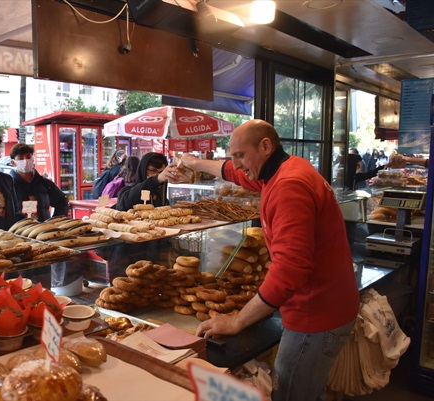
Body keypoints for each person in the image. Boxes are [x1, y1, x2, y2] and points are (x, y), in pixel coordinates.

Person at [178, 119, 359, 401]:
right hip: (328, 305)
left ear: (265, 146)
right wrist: (193, 162)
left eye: (240, 155)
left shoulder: (289, 186)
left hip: (316, 314)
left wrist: (238, 320)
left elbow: (290, 270)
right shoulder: (285, 167)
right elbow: (233, 173)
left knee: (292, 394)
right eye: (233, 156)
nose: (237, 164)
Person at [9, 143, 69, 221]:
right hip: (17, 231)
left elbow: (61, 201)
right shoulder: (8, 185)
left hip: (43, 230)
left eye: (28, 157)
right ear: (13, 163)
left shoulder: (45, 183)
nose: (25, 161)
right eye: (21, 158)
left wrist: (55, 221)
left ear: (33, 159)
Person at [115, 152, 180, 211]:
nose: (156, 175)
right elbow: (123, 204)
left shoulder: (161, 197)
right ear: (143, 169)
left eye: (161, 172)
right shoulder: (127, 191)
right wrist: (156, 180)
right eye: (152, 171)